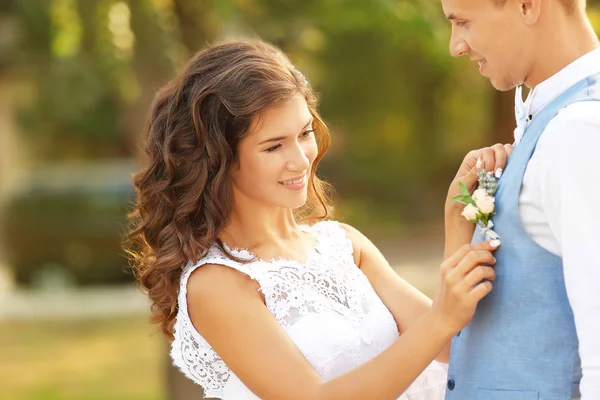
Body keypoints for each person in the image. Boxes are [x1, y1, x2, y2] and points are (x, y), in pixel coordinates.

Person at [126, 40, 509, 399]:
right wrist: (441, 318)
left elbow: (449, 347)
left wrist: (458, 224)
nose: (301, 159)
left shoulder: (344, 244)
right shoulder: (216, 284)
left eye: (305, 133)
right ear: (219, 158)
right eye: (274, 146)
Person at [441, 0, 600, 398]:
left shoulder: (578, 132)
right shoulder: (549, 116)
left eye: (463, 22)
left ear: (528, 6)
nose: (455, 46)